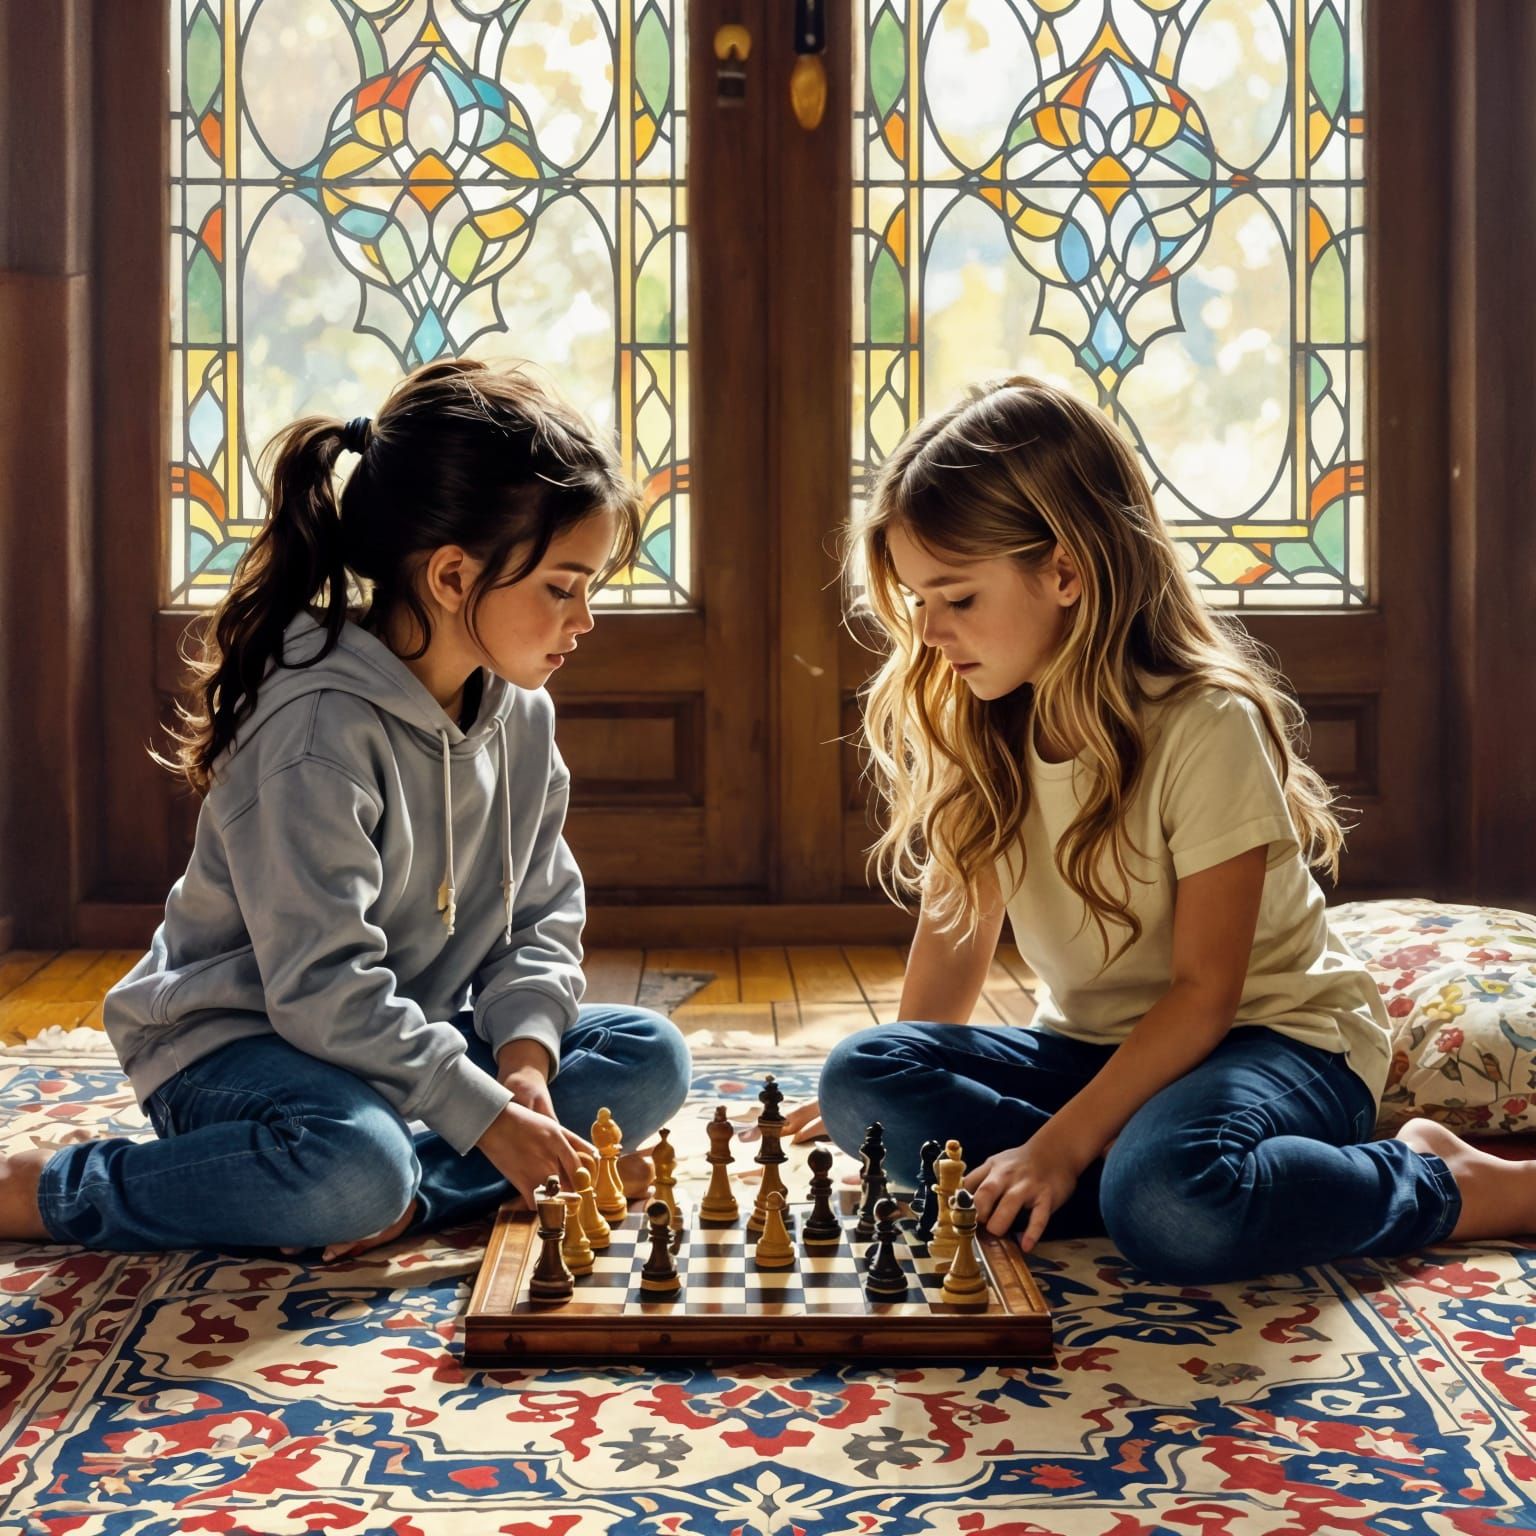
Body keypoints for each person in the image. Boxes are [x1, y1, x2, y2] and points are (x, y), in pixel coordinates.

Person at [786, 375, 1534, 1284]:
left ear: (1065, 571)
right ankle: (1147, 1179)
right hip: (1095, 1051)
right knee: (863, 1072)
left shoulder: (1204, 721)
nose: (932, 632)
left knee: (1169, 1199)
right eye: (917, 603)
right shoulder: (980, 714)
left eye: (958, 598)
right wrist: (891, 1101)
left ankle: (1435, 1177)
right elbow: (954, 942)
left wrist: (1059, 1151)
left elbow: (1203, 996)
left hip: (1273, 1040)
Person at [0, 359, 691, 1258]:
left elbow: (542, 916)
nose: (585, 619)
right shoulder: (316, 728)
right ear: (450, 577)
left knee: (645, 1055)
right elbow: (320, 989)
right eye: (562, 586)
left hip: (398, 1041)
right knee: (350, 1169)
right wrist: (482, 1116)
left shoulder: (521, 712)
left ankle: (408, 1189)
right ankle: (52, 1189)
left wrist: (520, 1063)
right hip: (238, 1043)